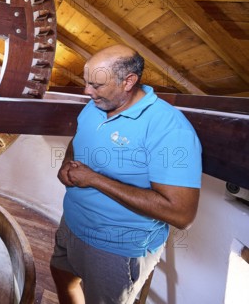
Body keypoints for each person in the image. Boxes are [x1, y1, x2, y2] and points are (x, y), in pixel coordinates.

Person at [50, 45, 202, 304]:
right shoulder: (95, 105)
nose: (87, 92)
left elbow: (181, 214)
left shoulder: (170, 129)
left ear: (128, 82)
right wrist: (67, 162)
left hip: (116, 248)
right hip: (72, 224)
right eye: (86, 83)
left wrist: (94, 179)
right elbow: (80, 138)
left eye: (96, 85)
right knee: (63, 277)